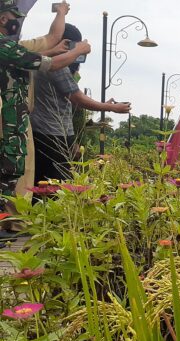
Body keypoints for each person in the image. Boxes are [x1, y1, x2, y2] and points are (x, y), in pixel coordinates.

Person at [0, 0, 90, 239]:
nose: (16, 22)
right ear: (3, 19)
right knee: (9, 172)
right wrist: (76, 51)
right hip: (7, 121)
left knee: (20, 172)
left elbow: (49, 41)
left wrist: (60, 14)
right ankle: (6, 225)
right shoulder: (5, 47)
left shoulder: (12, 48)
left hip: (18, 120)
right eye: (13, 17)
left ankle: (11, 223)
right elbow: (51, 62)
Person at [31, 23, 130, 183]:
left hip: (40, 130)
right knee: (56, 184)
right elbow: (77, 98)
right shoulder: (56, 66)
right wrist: (111, 107)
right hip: (54, 133)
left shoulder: (41, 60)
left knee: (41, 182)